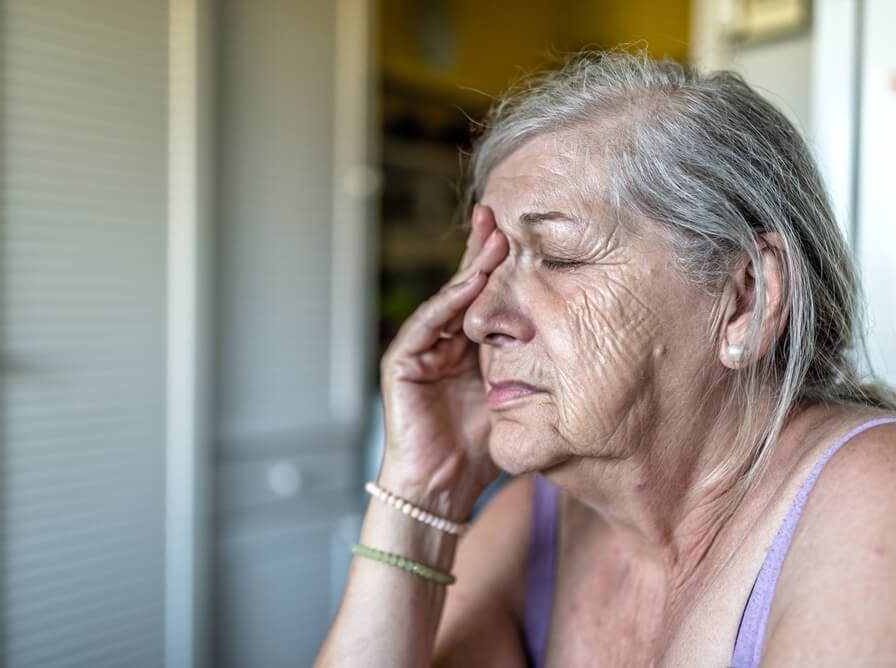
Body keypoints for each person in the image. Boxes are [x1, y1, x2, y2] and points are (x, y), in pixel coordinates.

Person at [316, 51, 896, 666]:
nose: (478, 319)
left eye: (559, 256)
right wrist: (422, 490)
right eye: (487, 265)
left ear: (745, 298)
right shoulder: (544, 517)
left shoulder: (873, 503)